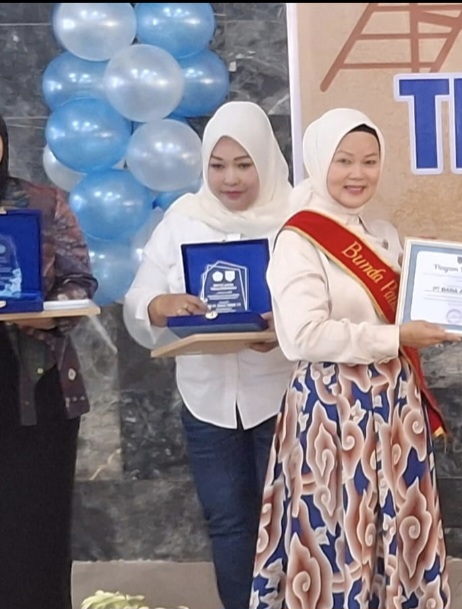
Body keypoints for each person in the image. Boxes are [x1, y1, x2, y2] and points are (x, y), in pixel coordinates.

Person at [251, 108, 459, 609]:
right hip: (333, 411)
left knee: (399, 532)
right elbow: (303, 337)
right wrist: (395, 336)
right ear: (318, 161)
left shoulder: (383, 232)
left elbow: (410, 304)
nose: (357, 174)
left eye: (369, 161)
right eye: (343, 161)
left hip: (395, 407)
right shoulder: (298, 238)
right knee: (338, 533)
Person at [123, 101, 296, 609]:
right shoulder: (183, 218)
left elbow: (323, 300)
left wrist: (284, 327)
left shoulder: (296, 218)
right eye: (218, 166)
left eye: (244, 164)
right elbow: (140, 296)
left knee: (290, 520)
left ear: (266, 160)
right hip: (206, 401)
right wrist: (161, 305)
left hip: (281, 395)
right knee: (227, 522)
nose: (230, 179)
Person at [0, 113, 99, 609]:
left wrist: (44, 312)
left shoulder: (43, 202)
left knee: (37, 525)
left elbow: (80, 281)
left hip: (37, 389)